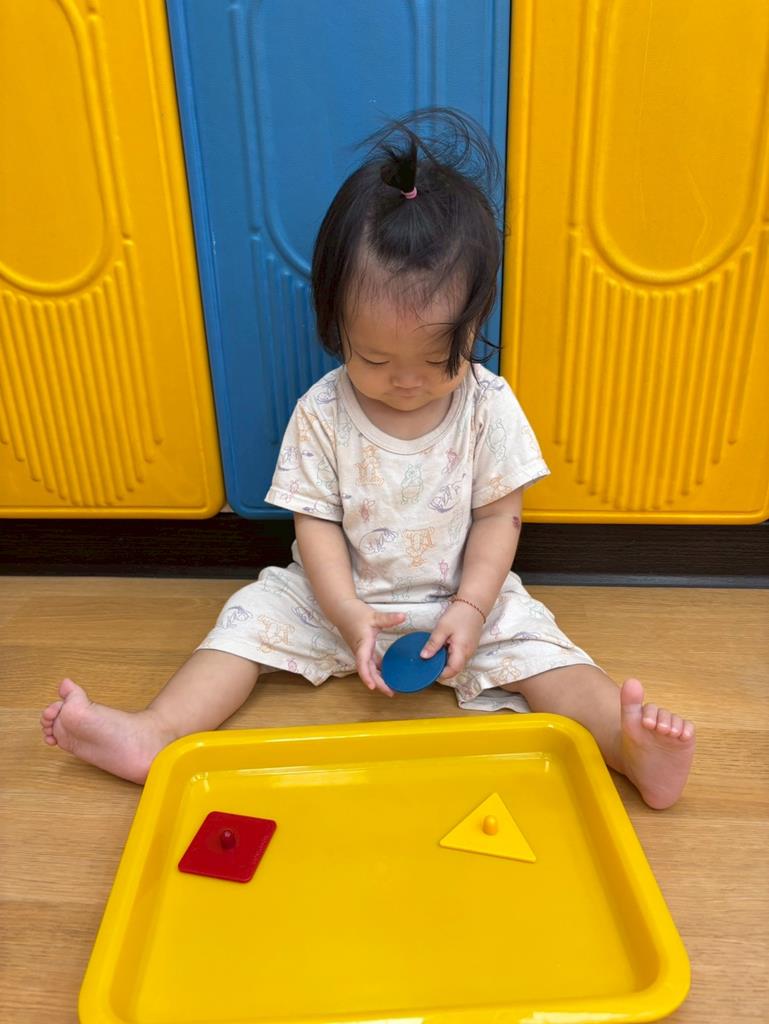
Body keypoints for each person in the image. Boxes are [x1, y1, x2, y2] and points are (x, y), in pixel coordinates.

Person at [41, 109, 694, 808]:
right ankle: (157, 731)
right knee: (245, 621)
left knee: (546, 651)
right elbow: (315, 525)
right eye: (376, 359)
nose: (406, 381)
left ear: (476, 324)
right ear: (335, 326)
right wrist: (346, 610)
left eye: (438, 359)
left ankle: (626, 746)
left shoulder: (489, 407)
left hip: (460, 597)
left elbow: (499, 518)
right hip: (337, 597)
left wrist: (473, 607)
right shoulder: (321, 412)